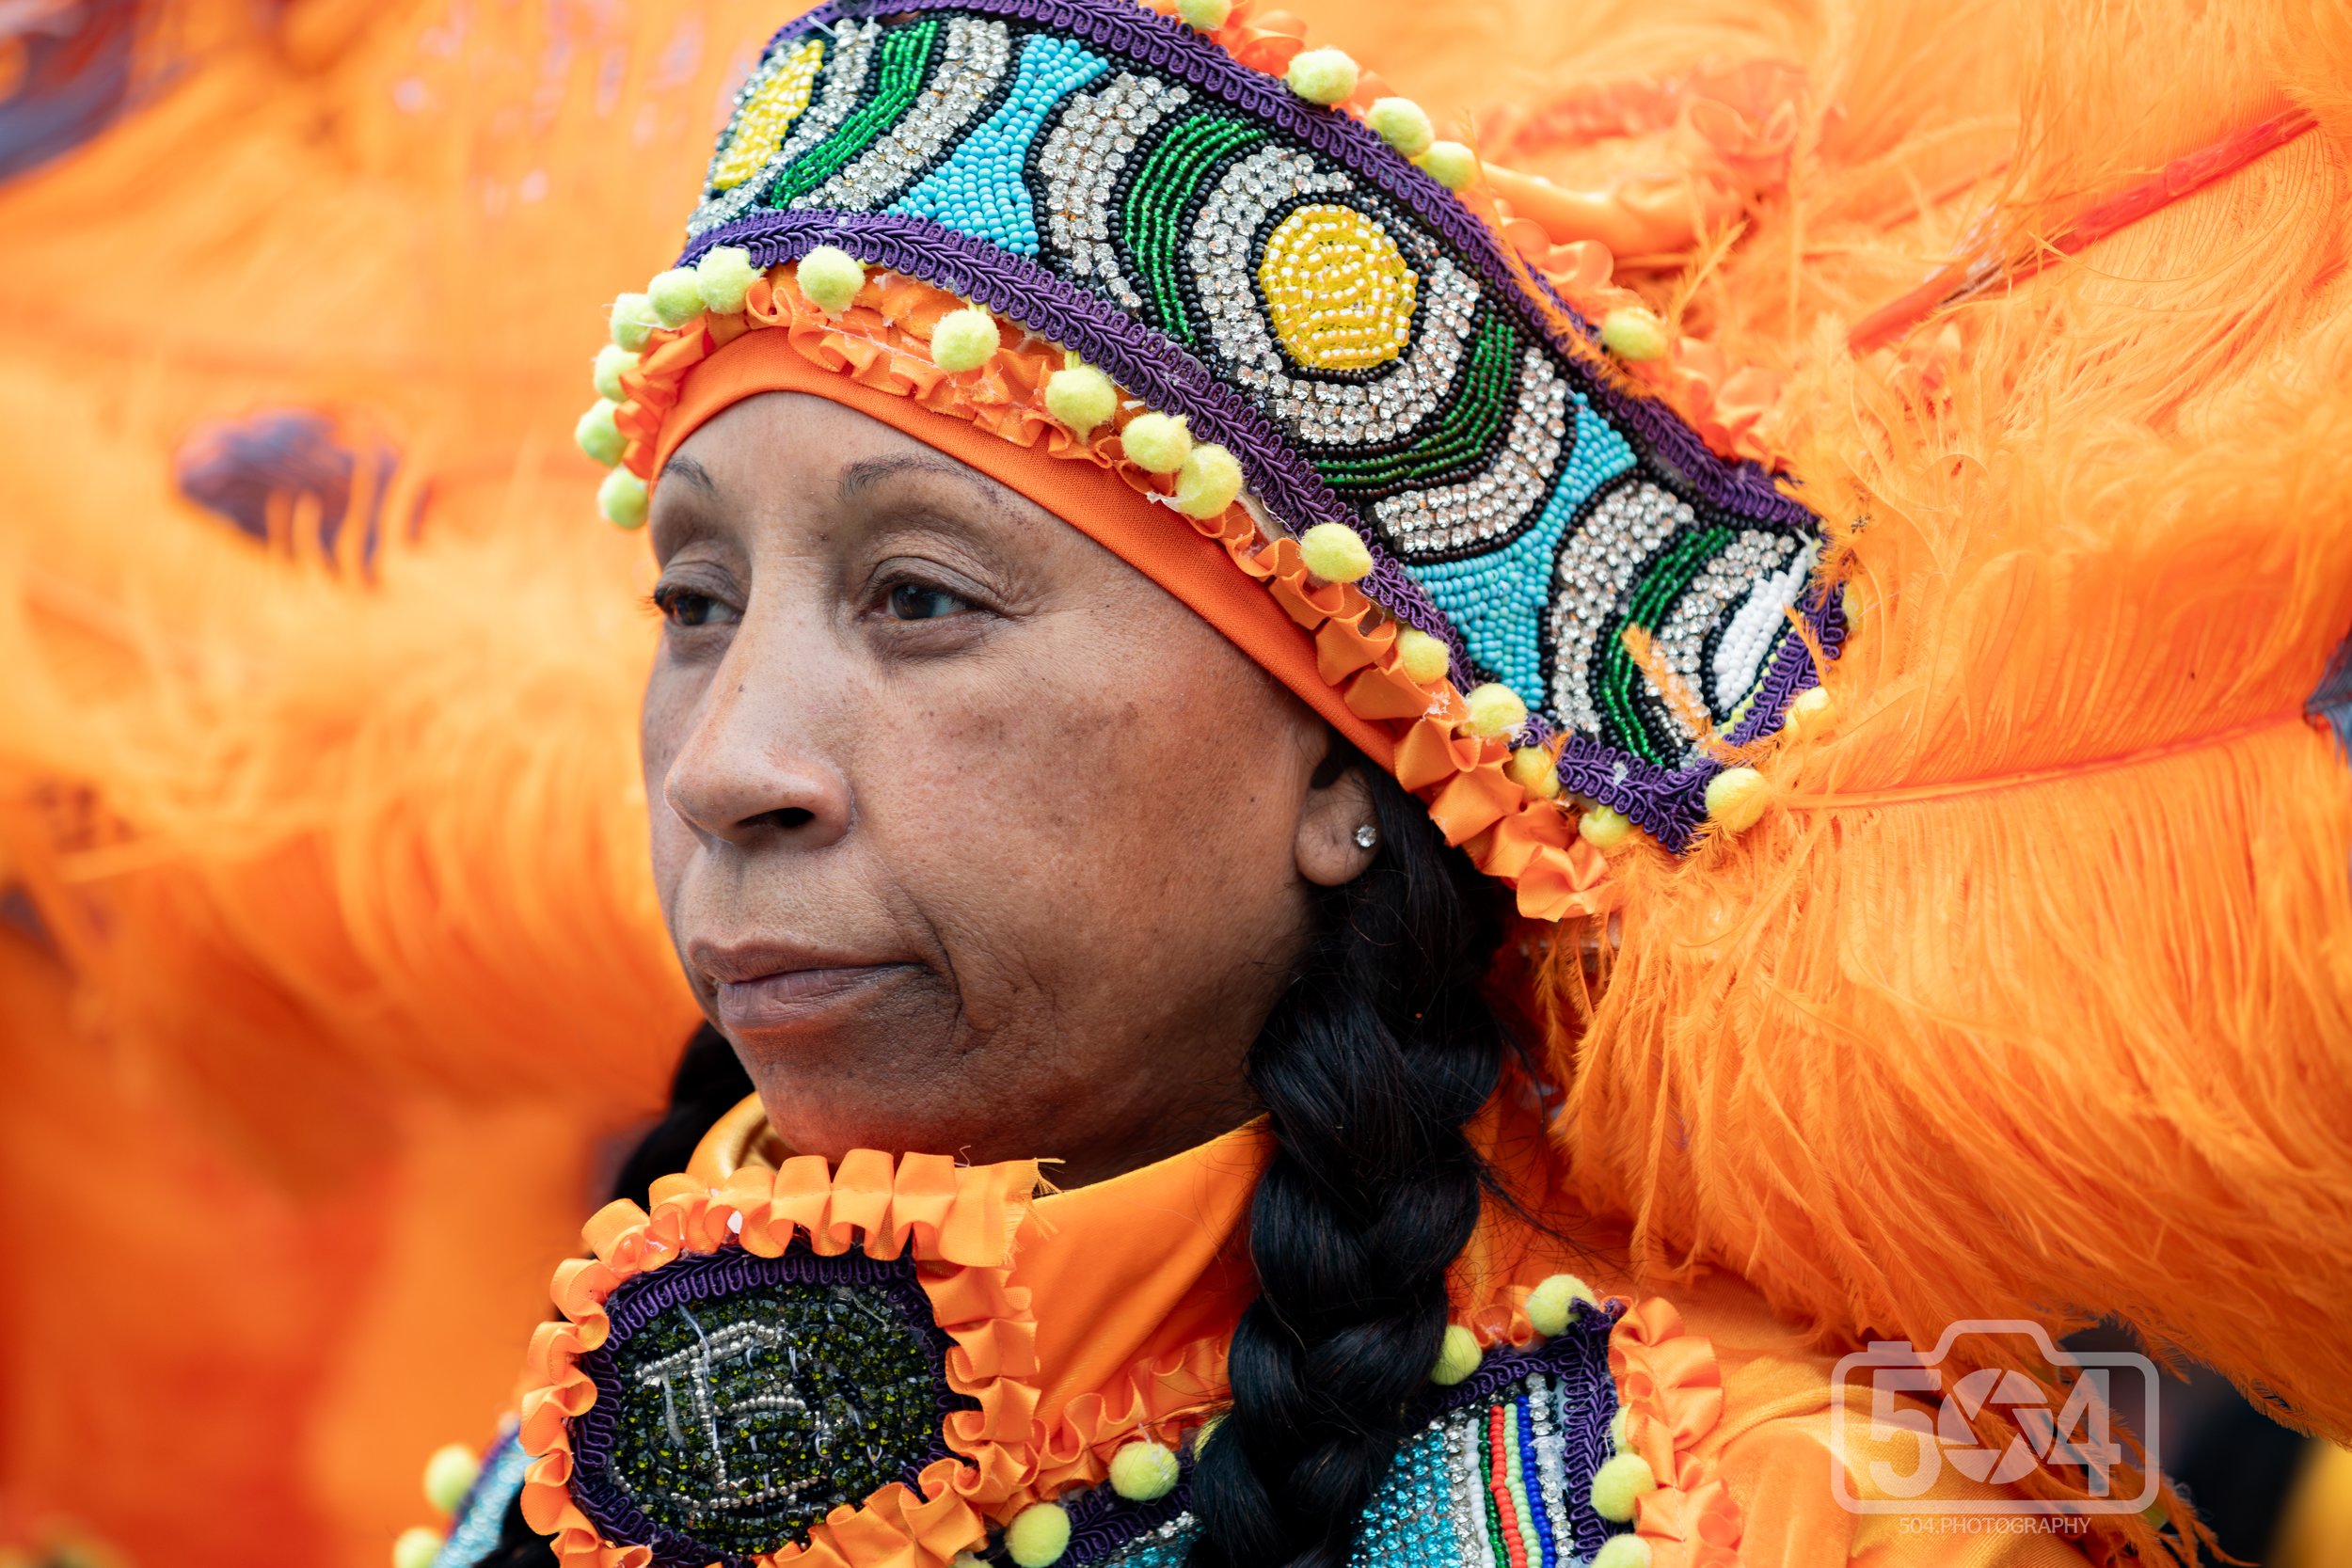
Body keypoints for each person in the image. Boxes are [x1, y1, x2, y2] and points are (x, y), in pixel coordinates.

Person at [361, 2, 2351, 1567]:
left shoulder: (1750, 1512)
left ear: (1347, 757)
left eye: (920, 599)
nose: (727, 768)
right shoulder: (567, 1476)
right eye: (692, 600)